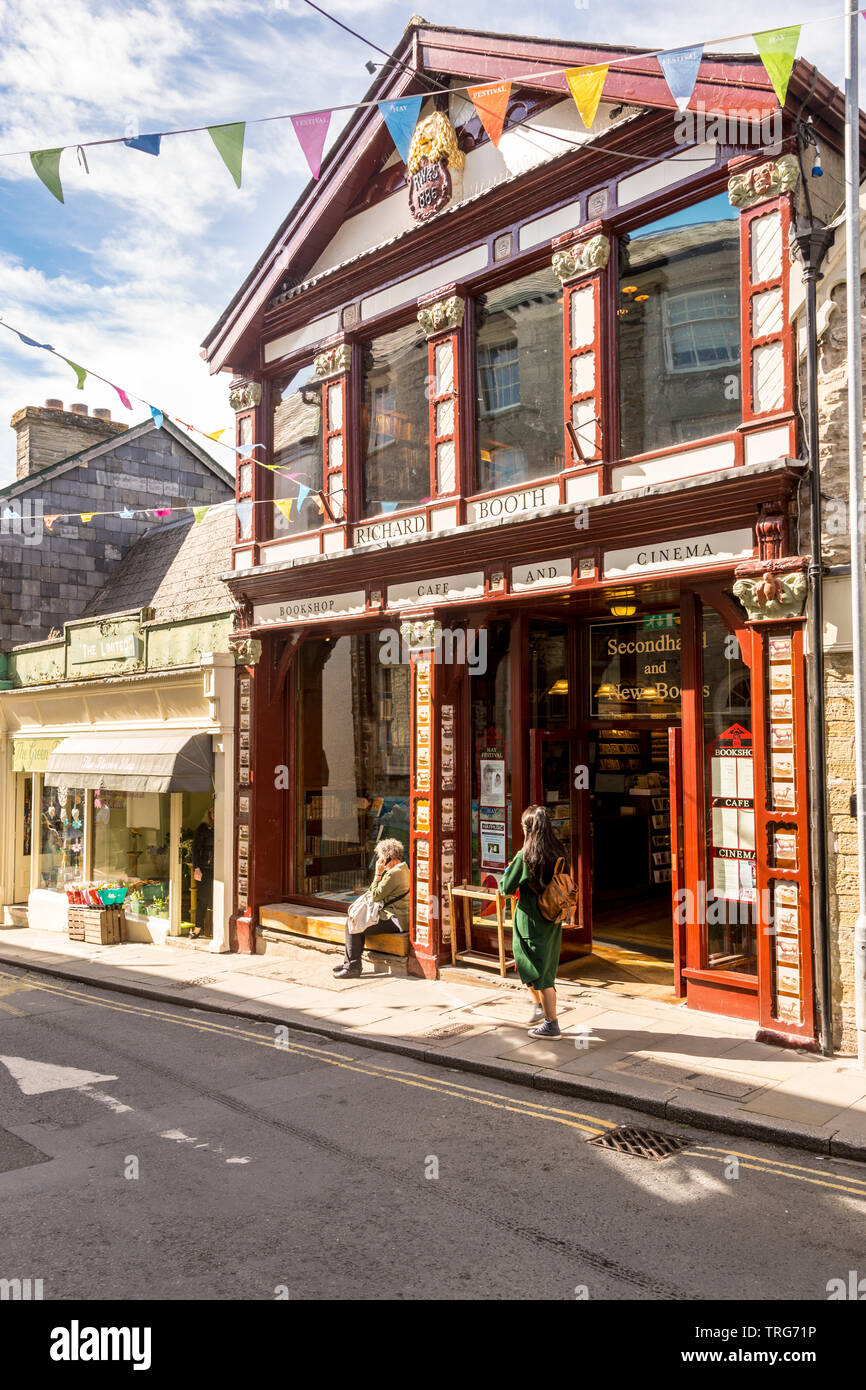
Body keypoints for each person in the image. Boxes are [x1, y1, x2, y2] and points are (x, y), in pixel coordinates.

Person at [501, 805, 568, 1037]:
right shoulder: (558, 850)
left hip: (530, 919)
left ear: (528, 828)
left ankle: (551, 1024)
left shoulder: (526, 855)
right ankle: (540, 1008)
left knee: (538, 972)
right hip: (553, 918)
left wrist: (509, 870)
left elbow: (506, 887)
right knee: (544, 967)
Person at [333, 838, 409, 979]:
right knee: (356, 922)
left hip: (395, 919)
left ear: (388, 859)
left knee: (353, 924)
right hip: (396, 916)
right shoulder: (403, 869)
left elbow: (375, 895)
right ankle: (349, 963)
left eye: (381, 858)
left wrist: (377, 874)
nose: (379, 861)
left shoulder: (393, 874)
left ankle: (352, 967)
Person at [191, 807, 215, 939]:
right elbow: (195, 849)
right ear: (209, 814)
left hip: (221, 868)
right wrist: (197, 868)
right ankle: (197, 929)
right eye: (213, 813)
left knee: (217, 899)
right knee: (203, 899)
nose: (215, 815)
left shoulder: (224, 826)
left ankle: (215, 929)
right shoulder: (203, 829)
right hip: (205, 868)